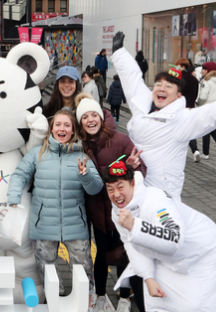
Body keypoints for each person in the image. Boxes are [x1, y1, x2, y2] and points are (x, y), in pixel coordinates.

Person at [110, 31, 216, 201]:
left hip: (162, 195)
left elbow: (211, 113)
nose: (162, 88)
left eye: (169, 86)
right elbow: (131, 79)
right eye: (159, 84)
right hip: (134, 188)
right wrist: (119, 53)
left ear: (178, 96)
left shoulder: (181, 120)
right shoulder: (142, 105)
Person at [7, 109, 103, 308]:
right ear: (52, 129)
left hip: (75, 224)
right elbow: (19, 175)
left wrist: (85, 175)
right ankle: (54, 296)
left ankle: (87, 299)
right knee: (46, 267)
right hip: (44, 224)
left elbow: (96, 188)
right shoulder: (38, 153)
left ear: (73, 130)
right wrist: (14, 196)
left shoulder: (81, 156)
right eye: (58, 124)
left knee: (83, 267)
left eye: (67, 125)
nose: (62, 128)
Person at [104, 160, 216, 312]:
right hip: (162, 253)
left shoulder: (155, 199)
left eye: (120, 187)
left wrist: (135, 226)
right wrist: (148, 277)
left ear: (133, 183)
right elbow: (131, 244)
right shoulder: (117, 211)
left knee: (195, 305)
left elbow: (174, 238)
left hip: (201, 247)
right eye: (110, 189)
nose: (116, 195)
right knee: (157, 301)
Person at [76, 94, 146, 312]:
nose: (90, 120)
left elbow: (141, 169)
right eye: (84, 117)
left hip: (122, 212)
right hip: (97, 212)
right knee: (102, 256)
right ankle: (99, 296)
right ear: (80, 123)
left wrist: (132, 167)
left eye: (93, 114)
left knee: (125, 255)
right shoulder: (80, 145)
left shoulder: (120, 140)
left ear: (100, 116)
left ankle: (125, 296)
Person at [174, 58, 200, 162]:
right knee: (189, 130)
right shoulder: (194, 79)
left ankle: (177, 153)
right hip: (191, 107)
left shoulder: (178, 79)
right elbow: (196, 94)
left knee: (177, 130)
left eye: (178, 65)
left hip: (180, 108)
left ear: (182, 66)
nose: (177, 67)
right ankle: (195, 150)